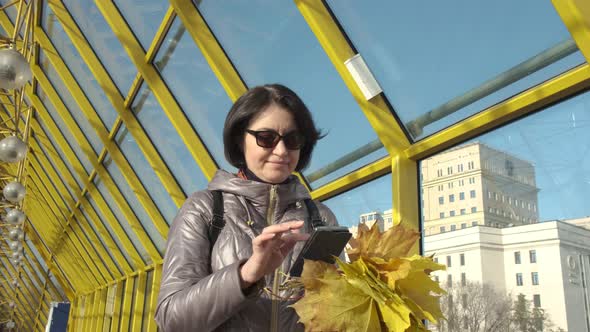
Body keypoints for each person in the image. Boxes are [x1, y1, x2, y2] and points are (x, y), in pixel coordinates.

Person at [155, 84, 338, 331]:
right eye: (266, 138)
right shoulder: (206, 209)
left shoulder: (320, 218)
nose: (281, 150)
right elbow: (171, 320)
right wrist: (246, 274)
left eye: (293, 139)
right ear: (240, 139)